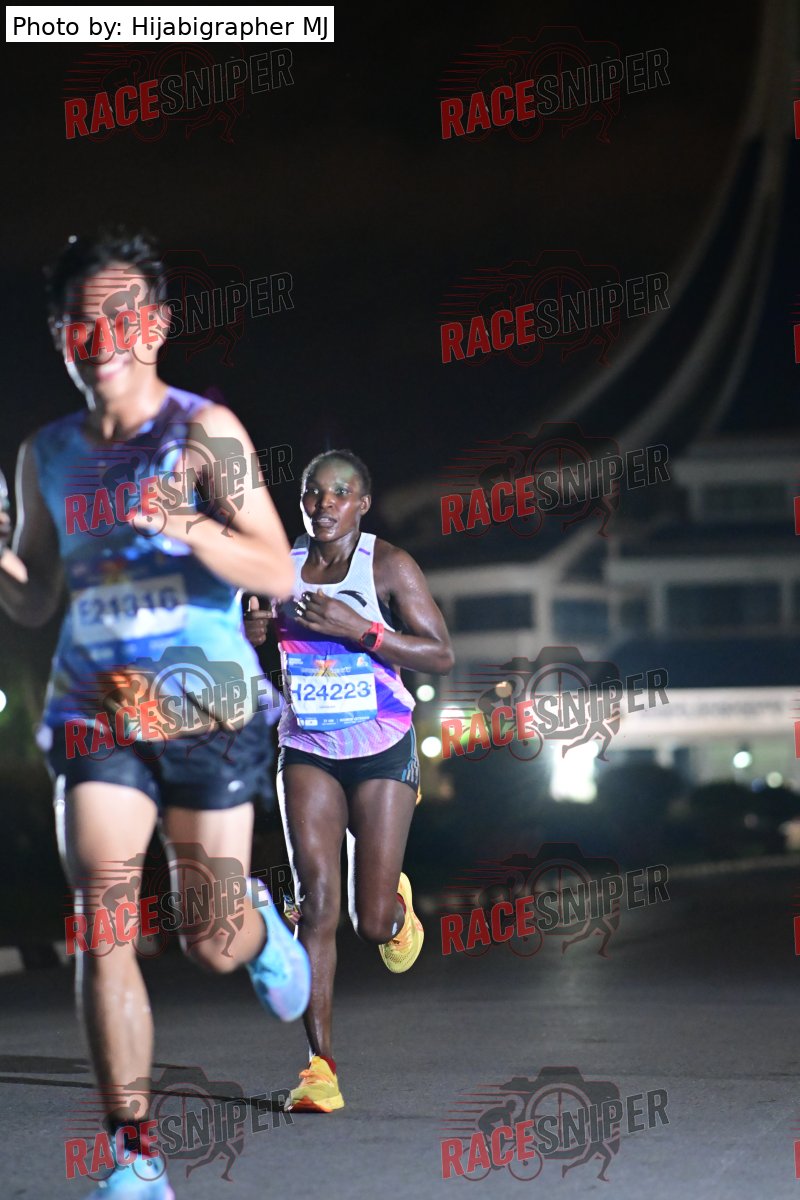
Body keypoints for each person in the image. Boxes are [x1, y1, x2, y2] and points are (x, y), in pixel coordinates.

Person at [0, 228, 310, 1198]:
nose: (103, 337)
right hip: (94, 709)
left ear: (159, 324)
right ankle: (135, 1160)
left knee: (210, 939)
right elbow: (36, 597)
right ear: (60, 334)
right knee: (101, 917)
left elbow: (275, 569)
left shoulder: (205, 432)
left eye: (123, 315)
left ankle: (257, 929)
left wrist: (183, 522)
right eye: (81, 320)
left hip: (207, 705)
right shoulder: (45, 454)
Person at [244, 449, 453, 1113]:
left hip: (383, 745)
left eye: (340, 494)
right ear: (302, 500)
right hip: (307, 747)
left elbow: (441, 654)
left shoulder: (388, 566)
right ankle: (319, 1069)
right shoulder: (276, 567)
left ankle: (395, 912)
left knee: (369, 923)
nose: (325, 505)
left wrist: (362, 630)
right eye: (314, 493)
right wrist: (253, 633)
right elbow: (251, 648)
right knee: (316, 902)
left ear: (362, 502)